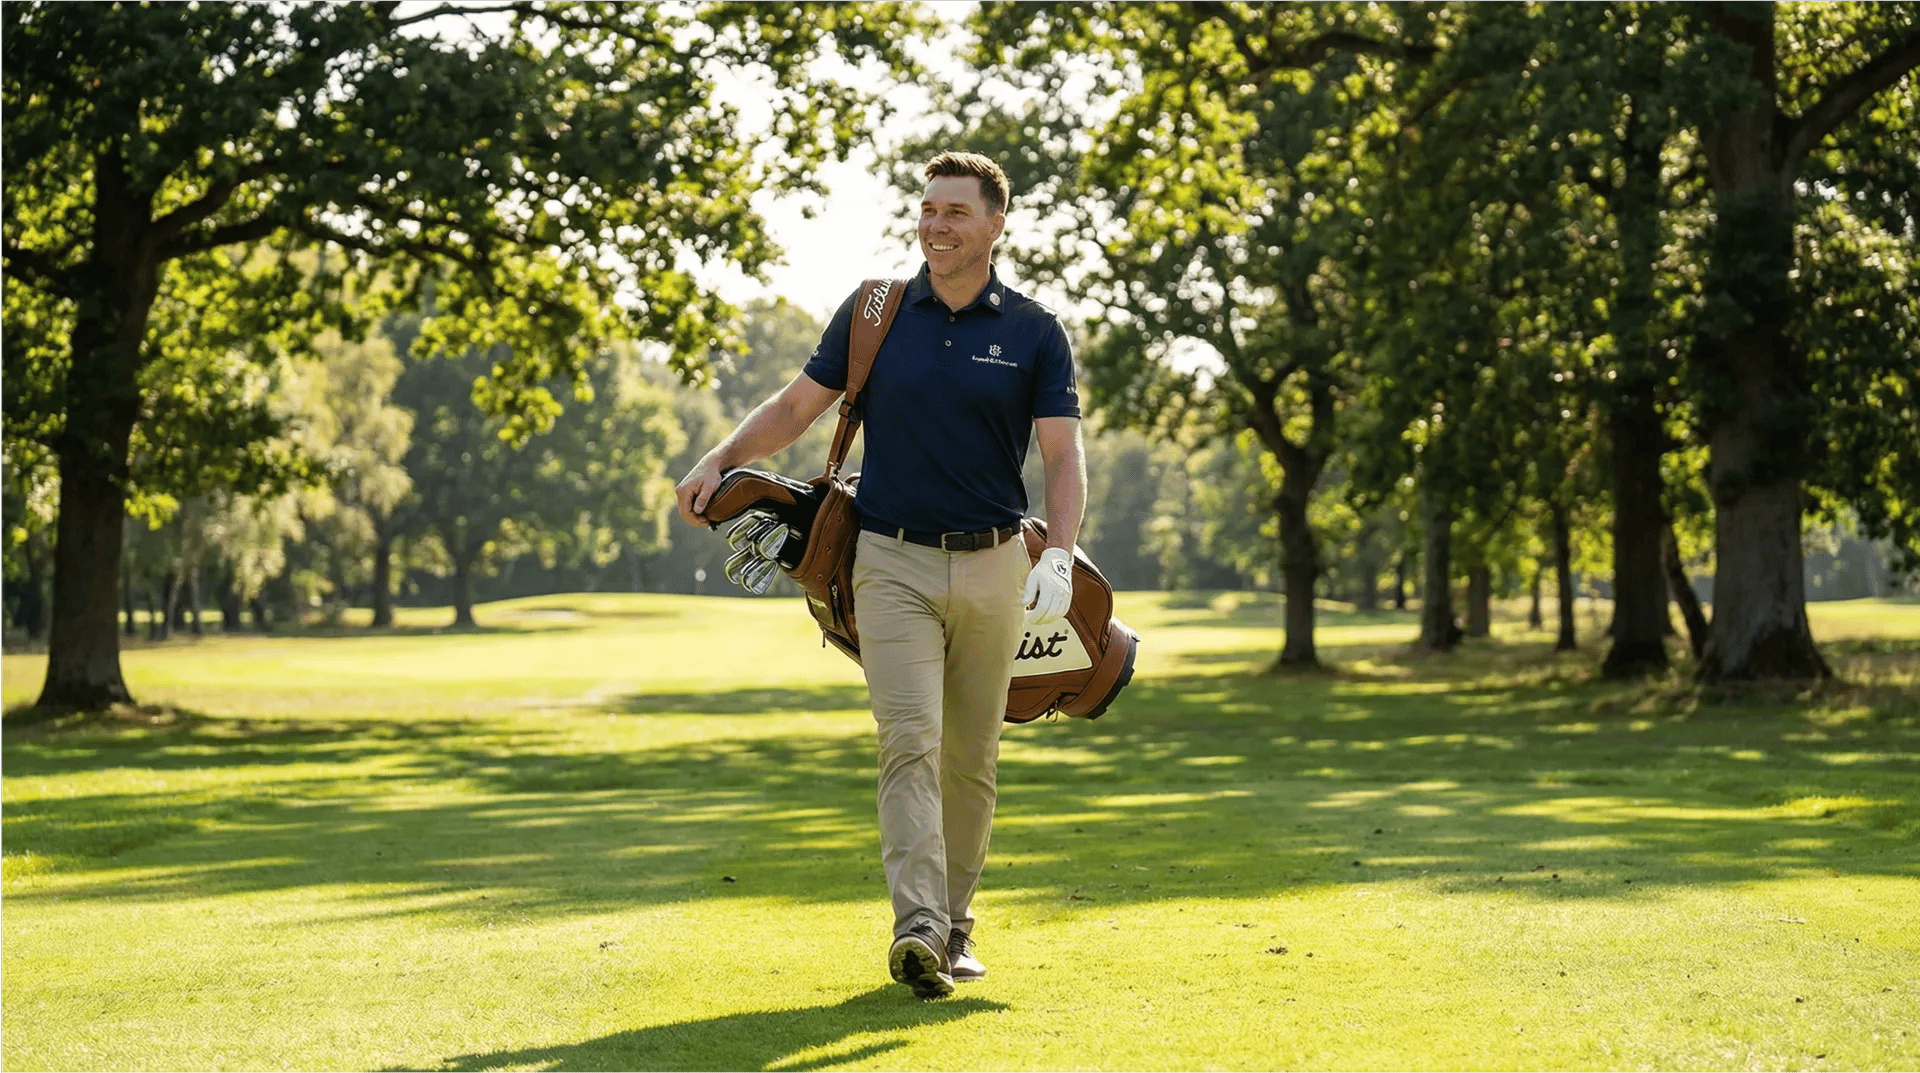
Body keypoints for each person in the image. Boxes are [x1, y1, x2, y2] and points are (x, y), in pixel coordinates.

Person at [675, 150, 1085, 999]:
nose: (936, 225)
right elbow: (796, 407)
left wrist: (1057, 553)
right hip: (887, 560)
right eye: (928, 209)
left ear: (995, 225)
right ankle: (919, 927)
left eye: (956, 213)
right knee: (909, 742)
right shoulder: (874, 311)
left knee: (972, 758)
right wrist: (719, 458)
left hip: (994, 565)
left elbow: (1062, 456)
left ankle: (956, 923)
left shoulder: (1036, 332)